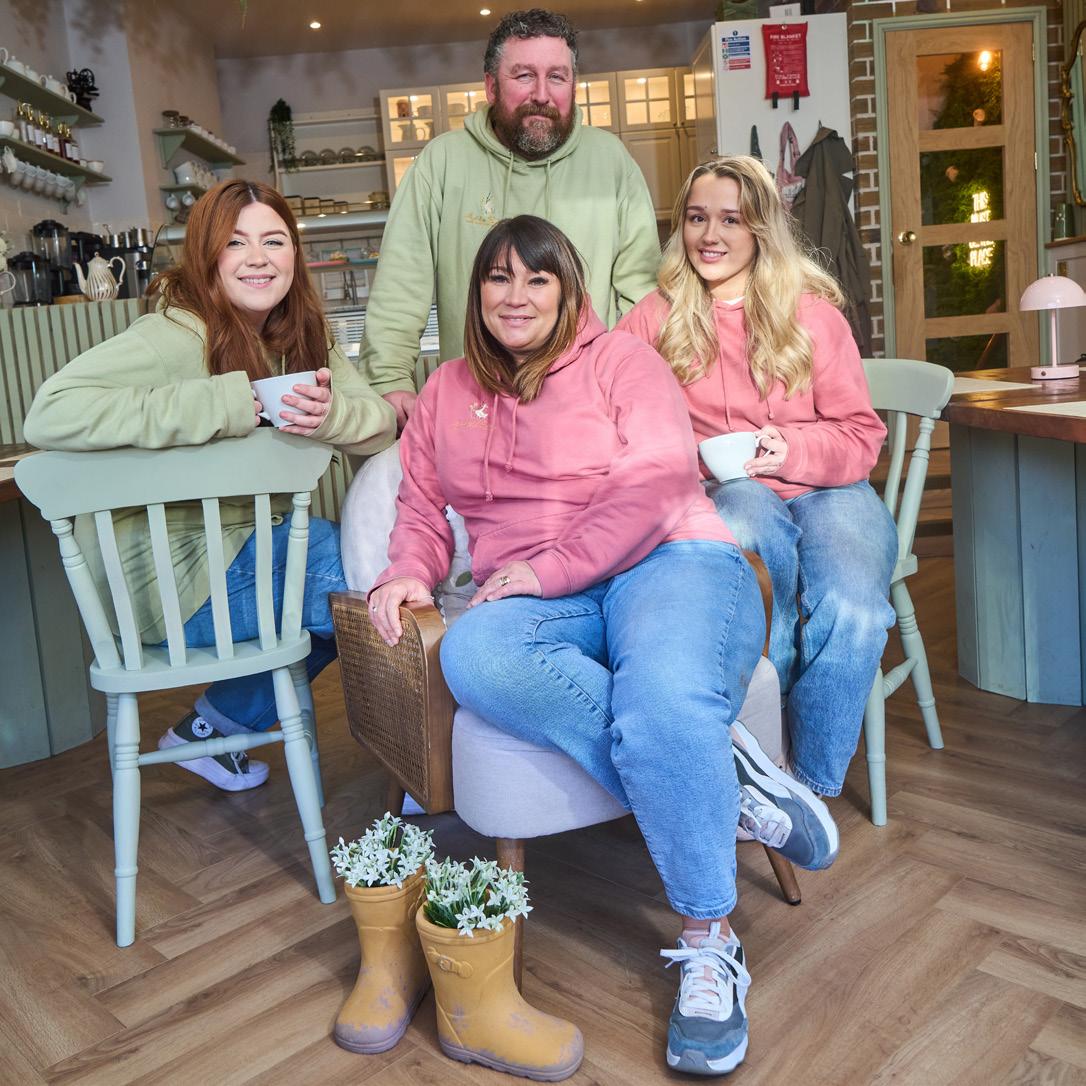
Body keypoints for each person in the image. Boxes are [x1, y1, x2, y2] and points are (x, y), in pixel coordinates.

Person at [368, 214, 836, 1077]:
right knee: (474, 656)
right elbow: (421, 507)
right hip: (540, 595)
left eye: (536, 278)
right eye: (498, 278)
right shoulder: (444, 391)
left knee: (663, 706)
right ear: (475, 293)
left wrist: (551, 567)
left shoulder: (624, 363)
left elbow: (655, 486)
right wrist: (406, 571)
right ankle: (725, 782)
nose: (515, 296)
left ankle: (708, 938)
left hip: (666, 559)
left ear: (569, 290)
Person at [24, 179, 396, 792]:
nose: (258, 258)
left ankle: (210, 730)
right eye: (236, 242)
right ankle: (426, 768)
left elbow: (380, 420)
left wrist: (329, 416)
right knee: (367, 574)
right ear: (207, 255)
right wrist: (223, 403)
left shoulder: (302, 335)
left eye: (274, 241)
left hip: (244, 558)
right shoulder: (174, 334)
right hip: (173, 587)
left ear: (294, 253)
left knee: (358, 573)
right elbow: (51, 411)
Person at [618, 155, 896, 826]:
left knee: (855, 609)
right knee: (745, 527)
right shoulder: (654, 318)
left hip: (827, 486)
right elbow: (612, 415)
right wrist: (686, 460)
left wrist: (792, 448)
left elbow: (862, 435)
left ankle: (805, 782)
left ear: (761, 228)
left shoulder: (813, 316)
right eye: (696, 218)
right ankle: (764, 753)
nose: (710, 236)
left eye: (731, 220)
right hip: (724, 489)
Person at [360, 8, 660, 431]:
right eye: (524, 76)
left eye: (557, 77)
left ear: (573, 85)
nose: (542, 94)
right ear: (490, 86)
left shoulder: (611, 161)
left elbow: (640, 293)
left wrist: (627, 384)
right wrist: (389, 379)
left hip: (590, 412)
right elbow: (400, 285)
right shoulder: (441, 162)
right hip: (477, 412)